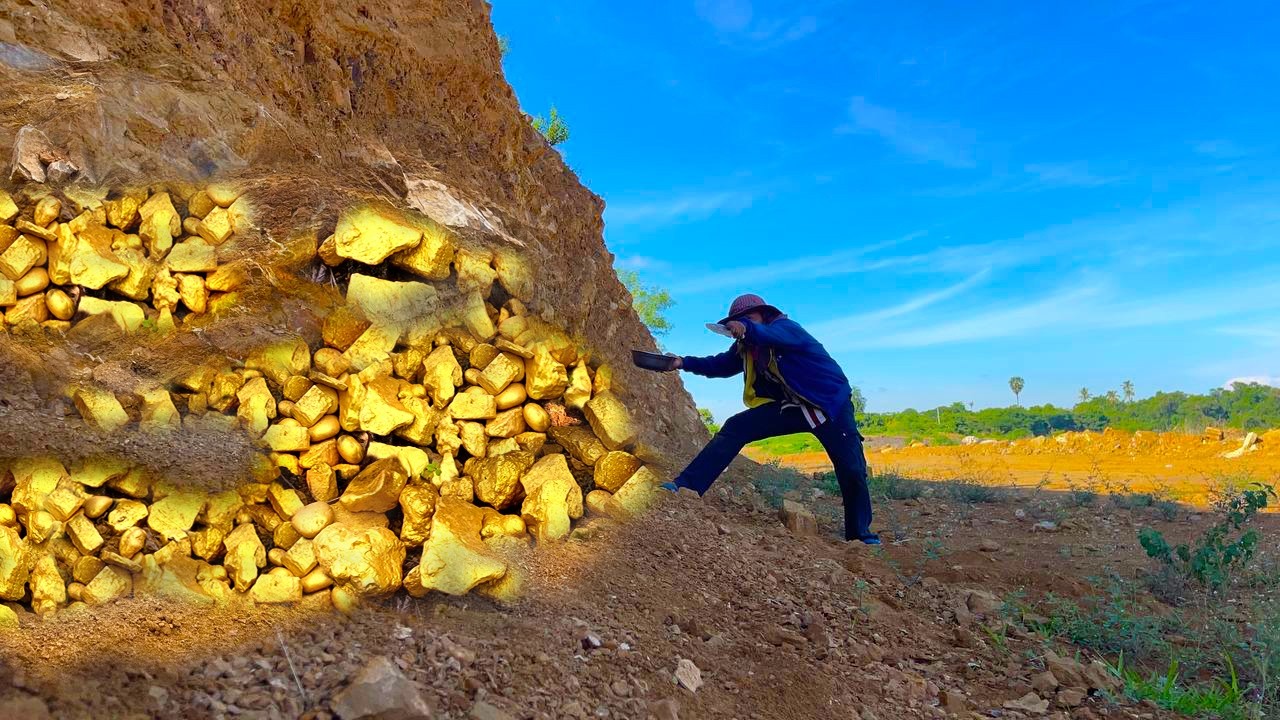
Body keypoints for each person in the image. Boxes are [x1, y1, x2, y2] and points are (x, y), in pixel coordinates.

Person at [662, 293, 880, 545]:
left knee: (851, 468)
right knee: (736, 427)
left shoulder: (786, 329)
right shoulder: (747, 347)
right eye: (738, 319)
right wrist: (682, 362)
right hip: (793, 407)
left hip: (830, 405)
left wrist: (745, 327)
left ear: (765, 315)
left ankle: (860, 534)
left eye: (748, 317)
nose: (742, 323)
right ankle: (686, 487)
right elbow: (720, 365)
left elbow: (767, 334)